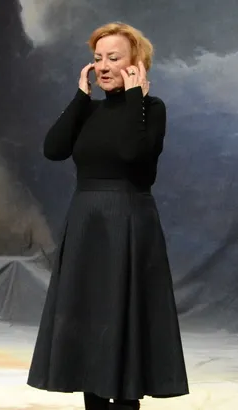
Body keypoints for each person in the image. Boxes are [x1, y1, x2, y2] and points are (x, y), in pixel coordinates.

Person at [27, 22, 190, 410]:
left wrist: (135, 97)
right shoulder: (88, 110)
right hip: (87, 224)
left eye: (113, 58)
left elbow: (133, 154)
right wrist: (80, 98)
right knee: (88, 319)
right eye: (97, 57)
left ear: (136, 63)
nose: (101, 66)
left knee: (125, 319)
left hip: (128, 221)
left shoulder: (152, 109)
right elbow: (53, 149)